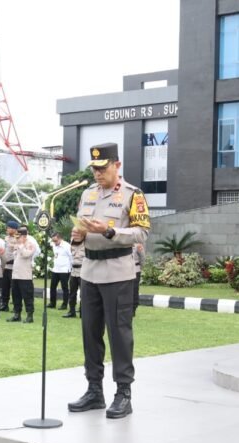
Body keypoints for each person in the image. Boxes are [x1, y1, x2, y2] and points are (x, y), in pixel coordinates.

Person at [67, 142, 151, 419]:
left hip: (118, 272)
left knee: (119, 334)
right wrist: (77, 238)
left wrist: (111, 231)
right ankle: (94, 390)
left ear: (117, 165)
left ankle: (123, 393)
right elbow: (79, 232)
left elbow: (141, 234)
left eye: (102, 168)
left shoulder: (132, 195)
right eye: (94, 169)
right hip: (89, 271)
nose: (97, 174)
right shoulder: (87, 194)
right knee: (90, 333)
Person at [8, 226, 39, 323]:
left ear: (24, 237)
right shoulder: (18, 245)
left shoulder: (30, 245)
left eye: (19, 237)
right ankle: (17, 314)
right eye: (16, 237)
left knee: (27, 297)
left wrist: (20, 246)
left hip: (25, 276)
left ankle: (30, 316)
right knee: (16, 296)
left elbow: (26, 255)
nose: (17, 239)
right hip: (16, 275)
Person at [63, 230, 85, 318]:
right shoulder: (72, 242)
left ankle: (83, 312)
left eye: (76, 234)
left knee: (83, 293)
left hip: (83, 270)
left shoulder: (86, 243)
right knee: (72, 292)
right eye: (72, 234)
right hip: (73, 271)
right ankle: (71, 311)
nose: (74, 236)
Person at [48, 232, 72, 310]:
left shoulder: (67, 246)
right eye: (53, 241)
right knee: (52, 286)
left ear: (60, 238)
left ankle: (64, 304)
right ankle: (52, 303)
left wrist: (70, 268)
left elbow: (71, 257)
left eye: (56, 241)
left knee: (64, 287)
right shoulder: (54, 245)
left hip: (64, 270)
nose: (54, 243)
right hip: (56, 269)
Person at [0, 220, 20, 311]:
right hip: (6, 265)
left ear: (14, 229)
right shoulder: (6, 238)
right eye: (7, 228)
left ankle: (16, 306)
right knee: (5, 287)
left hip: (14, 266)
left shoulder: (18, 238)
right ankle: (4, 304)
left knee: (14, 288)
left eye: (9, 228)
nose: (7, 229)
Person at [132, 243, 144, 317]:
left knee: (134, 290)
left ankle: (133, 309)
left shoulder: (138, 245)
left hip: (135, 270)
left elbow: (142, 257)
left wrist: (140, 267)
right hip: (124, 272)